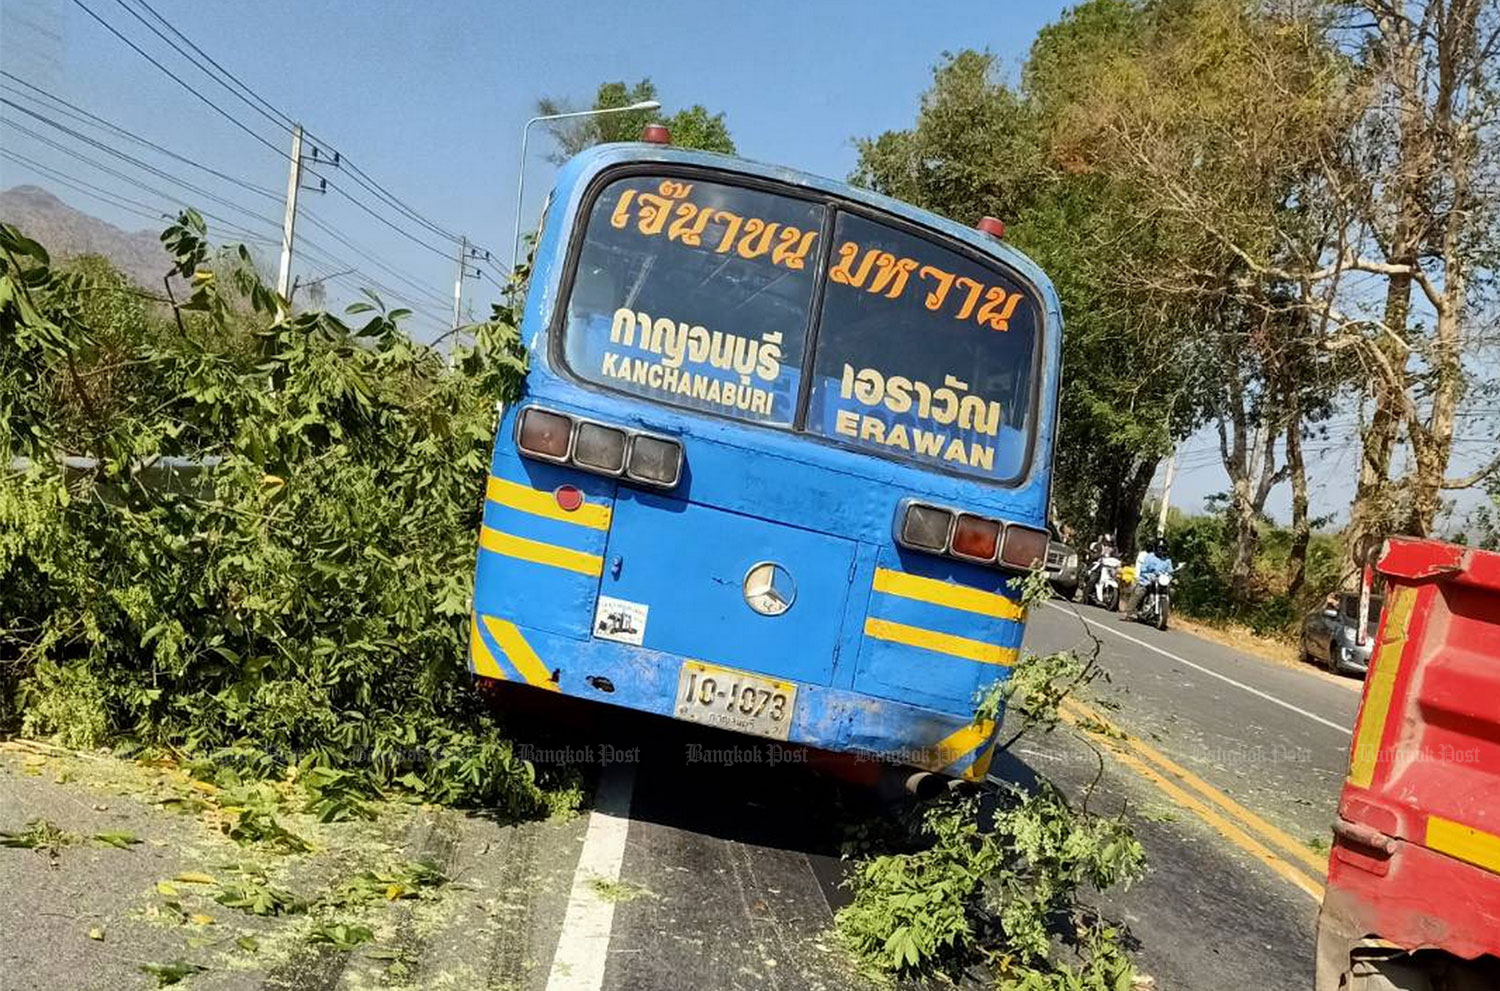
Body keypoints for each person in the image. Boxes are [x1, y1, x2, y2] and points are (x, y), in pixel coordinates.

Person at [1123, 537, 1173, 620]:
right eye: (1160, 548)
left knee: (1171, 591)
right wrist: (1149, 576)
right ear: (1156, 548)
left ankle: (1166, 610)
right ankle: (1128, 612)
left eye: (1163, 548)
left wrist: (1170, 577)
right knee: (1140, 591)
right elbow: (1143, 569)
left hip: (1161, 581)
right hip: (1148, 580)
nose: (1162, 550)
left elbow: (1170, 571)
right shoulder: (1150, 557)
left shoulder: (1167, 560)